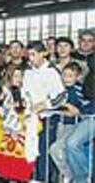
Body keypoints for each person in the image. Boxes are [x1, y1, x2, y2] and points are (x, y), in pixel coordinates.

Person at [23, 41, 67, 182]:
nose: (30, 58)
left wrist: (46, 104)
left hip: (48, 118)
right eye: (28, 55)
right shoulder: (27, 72)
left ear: (43, 53)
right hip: (31, 118)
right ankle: (35, 177)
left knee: (44, 151)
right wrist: (25, 101)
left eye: (33, 54)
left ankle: (45, 178)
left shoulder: (52, 72)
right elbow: (24, 91)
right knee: (31, 149)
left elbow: (62, 96)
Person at [49, 62, 93, 183]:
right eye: (64, 75)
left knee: (61, 148)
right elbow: (54, 102)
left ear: (77, 77)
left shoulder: (80, 89)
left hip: (74, 124)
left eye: (70, 76)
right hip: (61, 123)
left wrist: (78, 111)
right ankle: (69, 174)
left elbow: (84, 106)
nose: (67, 79)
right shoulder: (58, 89)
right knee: (56, 150)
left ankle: (81, 177)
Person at [65, 53, 95, 183]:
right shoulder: (90, 76)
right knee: (72, 144)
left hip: (89, 116)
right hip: (89, 117)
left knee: (72, 143)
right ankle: (83, 178)